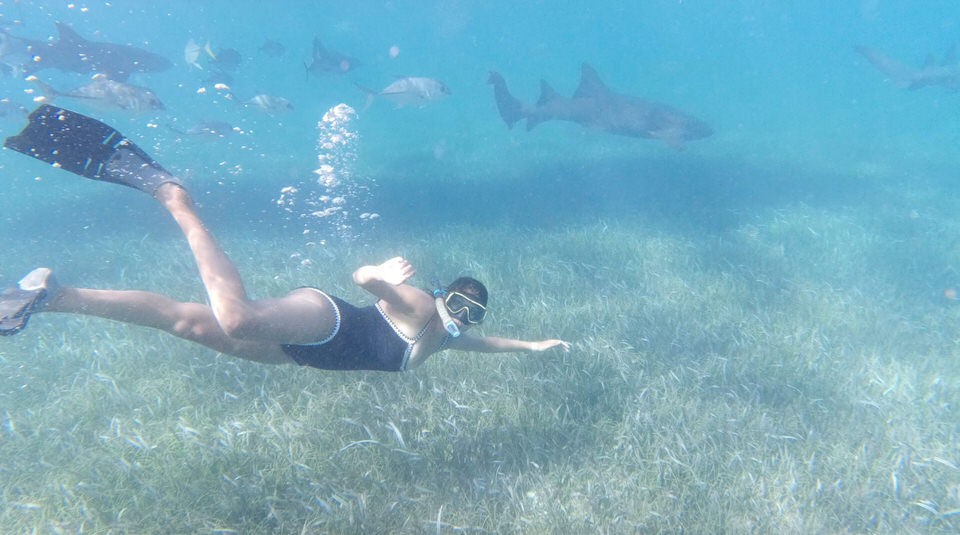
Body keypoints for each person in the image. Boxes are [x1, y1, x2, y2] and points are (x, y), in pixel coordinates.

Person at [0, 105, 570, 371]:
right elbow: (364, 281)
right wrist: (379, 277)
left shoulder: (446, 337)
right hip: (329, 320)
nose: (464, 319)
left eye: (473, 314)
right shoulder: (421, 304)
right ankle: (177, 199)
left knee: (182, 321)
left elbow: (483, 345)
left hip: (300, 355)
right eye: (462, 305)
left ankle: (52, 294)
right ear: (446, 295)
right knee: (237, 317)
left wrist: (533, 346)